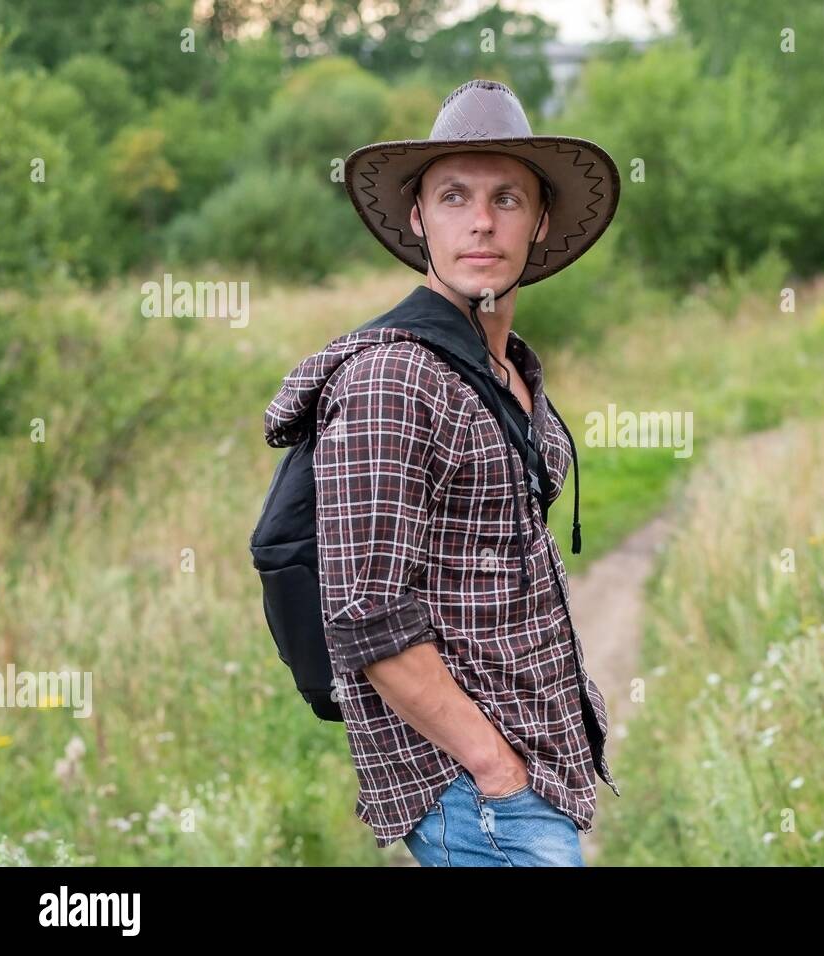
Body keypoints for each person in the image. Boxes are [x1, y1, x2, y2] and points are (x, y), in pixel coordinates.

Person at [262, 78, 622, 866]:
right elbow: (368, 614)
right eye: (454, 196)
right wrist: (496, 774)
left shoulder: (502, 369)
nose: (482, 222)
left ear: (541, 220)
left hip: (531, 766)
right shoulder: (394, 380)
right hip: (475, 790)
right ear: (419, 217)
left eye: (507, 198)